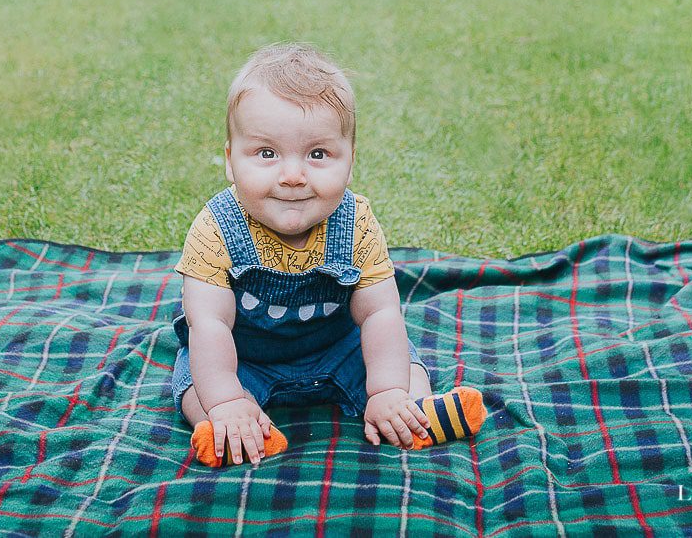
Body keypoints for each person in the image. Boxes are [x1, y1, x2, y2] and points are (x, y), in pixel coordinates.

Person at [169, 43, 487, 467]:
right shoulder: (216, 228)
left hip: (338, 346)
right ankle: (231, 425)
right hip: (243, 357)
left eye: (318, 155)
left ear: (349, 162)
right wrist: (226, 399)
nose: (293, 176)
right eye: (267, 154)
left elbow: (380, 313)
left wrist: (387, 388)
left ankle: (409, 412)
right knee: (196, 383)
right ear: (230, 161)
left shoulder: (356, 223)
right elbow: (208, 323)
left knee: (402, 363)